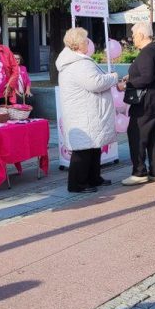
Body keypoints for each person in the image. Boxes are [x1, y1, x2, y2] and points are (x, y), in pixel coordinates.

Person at [56, 27, 118, 193]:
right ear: (77, 44)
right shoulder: (78, 63)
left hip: (86, 112)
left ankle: (93, 178)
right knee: (83, 151)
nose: (88, 43)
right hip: (84, 113)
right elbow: (95, 83)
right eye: (85, 40)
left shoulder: (76, 61)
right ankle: (77, 184)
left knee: (93, 147)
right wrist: (113, 77)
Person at [118, 22, 155, 186]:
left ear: (141, 35)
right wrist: (131, 78)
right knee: (152, 136)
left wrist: (125, 85)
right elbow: (146, 74)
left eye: (133, 35)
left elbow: (146, 78)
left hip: (147, 103)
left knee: (137, 134)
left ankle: (139, 172)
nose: (132, 38)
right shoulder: (153, 50)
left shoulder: (147, 53)